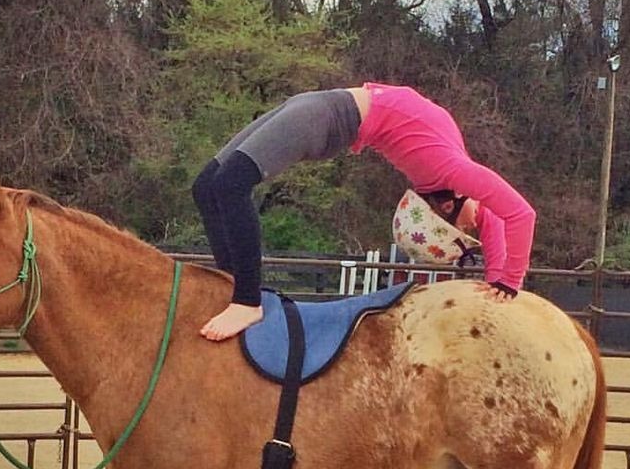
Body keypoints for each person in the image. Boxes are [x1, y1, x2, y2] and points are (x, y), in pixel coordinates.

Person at [192, 82, 536, 341]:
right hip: (325, 109)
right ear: (449, 206)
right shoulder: (453, 170)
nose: (475, 225)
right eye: (471, 228)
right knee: (208, 186)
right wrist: (509, 282)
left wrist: (495, 281)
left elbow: (489, 218)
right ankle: (243, 296)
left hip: (327, 112)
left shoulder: (445, 177)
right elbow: (519, 214)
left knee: (229, 185)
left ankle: (243, 297)